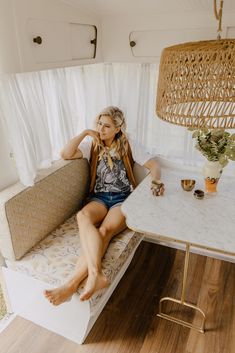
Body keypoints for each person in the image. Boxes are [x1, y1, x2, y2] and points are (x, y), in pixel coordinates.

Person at [44, 106, 164, 305]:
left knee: (104, 232)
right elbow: (65, 153)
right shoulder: (92, 144)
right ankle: (95, 274)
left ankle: (71, 285)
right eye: (99, 124)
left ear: (118, 128)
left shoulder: (128, 143)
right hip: (99, 198)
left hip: (122, 199)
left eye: (107, 126)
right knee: (82, 216)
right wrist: (84, 133)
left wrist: (156, 181)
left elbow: (154, 165)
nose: (101, 129)